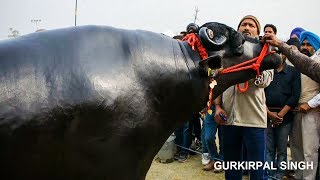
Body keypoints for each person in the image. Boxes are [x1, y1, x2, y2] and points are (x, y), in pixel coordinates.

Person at [214, 15, 273, 180]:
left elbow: (265, 81)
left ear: (257, 31)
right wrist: (217, 107)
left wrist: (252, 68)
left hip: (254, 119)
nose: (247, 27)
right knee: (232, 169)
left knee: (257, 170)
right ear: (237, 29)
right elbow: (217, 82)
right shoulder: (226, 52)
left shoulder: (265, 51)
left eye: (251, 25)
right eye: (243, 24)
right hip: (229, 119)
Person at [264, 37, 301, 179]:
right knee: (268, 149)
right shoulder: (266, 71)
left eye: (281, 52)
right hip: (266, 115)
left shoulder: (293, 72)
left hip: (285, 117)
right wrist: (268, 113)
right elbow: (261, 93)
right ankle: (268, 174)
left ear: (286, 54)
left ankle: (279, 174)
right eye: (276, 52)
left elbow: (295, 95)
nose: (279, 54)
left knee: (282, 149)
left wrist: (280, 115)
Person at [201, 106, 224, 173]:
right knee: (208, 137)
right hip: (211, 108)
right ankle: (213, 158)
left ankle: (220, 160)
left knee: (223, 138)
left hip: (225, 107)